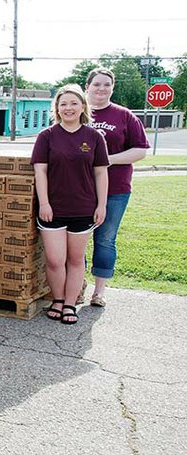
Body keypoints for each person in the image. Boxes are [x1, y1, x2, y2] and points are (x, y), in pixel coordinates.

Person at [32, 84, 109, 325]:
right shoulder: (47, 136)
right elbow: (40, 171)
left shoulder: (94, 137)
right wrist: (44, 203)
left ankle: (69, 304)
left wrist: (101, 205)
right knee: (55, 259)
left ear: (82, 106)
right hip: (52, 208)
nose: (68, 108)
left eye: (73, 103)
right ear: (57, 108)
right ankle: (57, 299)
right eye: (63, 103)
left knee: (75, 260)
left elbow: (100, 174)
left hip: (83, 209)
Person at [85, 67, 149, 308]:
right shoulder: (76, 112)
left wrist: (107, 159)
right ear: (87, 86)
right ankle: (77, 287)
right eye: (97, 84)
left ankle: (99, 291)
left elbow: (141, 150)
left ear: (112, 88)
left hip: (116, 189)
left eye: (106, 85)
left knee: (105, 239)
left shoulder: (124, 116)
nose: (101, 89)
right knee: (76, 239)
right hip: (79, 189)